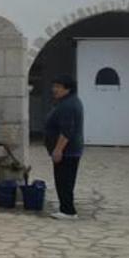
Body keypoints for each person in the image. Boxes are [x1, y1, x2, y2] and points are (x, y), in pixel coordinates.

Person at [44, 74, 84, 220]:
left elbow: (67, 130)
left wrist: (58, 149)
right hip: (70, 150)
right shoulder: (68, 102)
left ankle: (68, 211)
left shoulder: (68, 105)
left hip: (68, 151)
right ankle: (66, 207)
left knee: (64, 180)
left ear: (68, 89)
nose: (54, 89)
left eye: (58, 87)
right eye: (54, 86)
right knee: (64, 180)